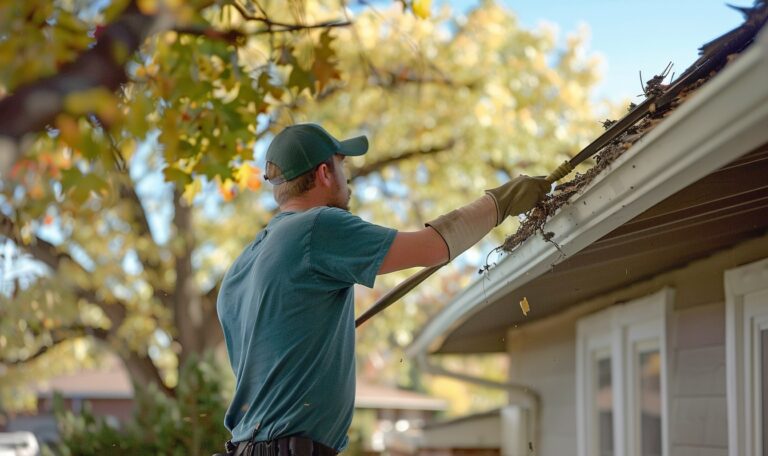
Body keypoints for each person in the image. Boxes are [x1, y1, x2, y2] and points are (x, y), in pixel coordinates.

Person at [215, 123, 549, 456]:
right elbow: (433, 248)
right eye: (342, 166)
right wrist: (501, 202)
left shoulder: (241, 268)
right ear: (324, 173)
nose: (348, 181)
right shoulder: (316, 226)